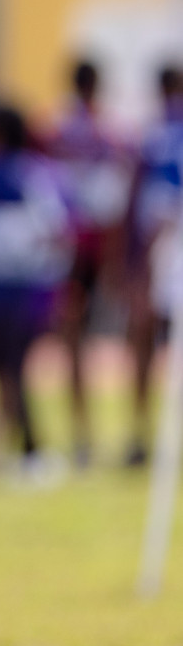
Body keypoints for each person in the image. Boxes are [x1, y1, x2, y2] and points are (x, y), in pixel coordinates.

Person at [0, 105, 73, 477]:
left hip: (0, 287)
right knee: (3, 371)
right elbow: (57, 233)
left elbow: (54, 232)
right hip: (10, 287)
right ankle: (8, 447)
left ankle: (20, 448)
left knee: (3, 371)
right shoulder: (29, 174)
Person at [47, 60, 130, 468]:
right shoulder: (110, 134)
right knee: (111, 340)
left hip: (69, 249)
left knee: (73, 341)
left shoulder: (57, 132)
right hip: (102, 247)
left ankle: (83, 437)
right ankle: (113, 434)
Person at [122, 66, 183, 467]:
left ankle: (141, 434)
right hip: (159, 247)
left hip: (160, 247)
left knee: (144, 337)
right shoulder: (152, 135)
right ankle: (142, 435)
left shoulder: (151, 136)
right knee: (145, 337)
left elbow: (134, 198)